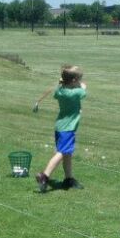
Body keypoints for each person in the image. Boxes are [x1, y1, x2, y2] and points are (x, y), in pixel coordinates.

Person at [34, 65, 87, 193]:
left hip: (60, 126)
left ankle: (68, 179)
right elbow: (83, 89)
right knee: (62, 152)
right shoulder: (77, 92)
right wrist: (81, 85)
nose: (80, 81)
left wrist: (64, 83)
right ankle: (44, 176)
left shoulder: (59, 91)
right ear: (74, 81)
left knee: (67, 153)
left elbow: (59, 90)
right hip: (67, 128)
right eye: (79, 79)